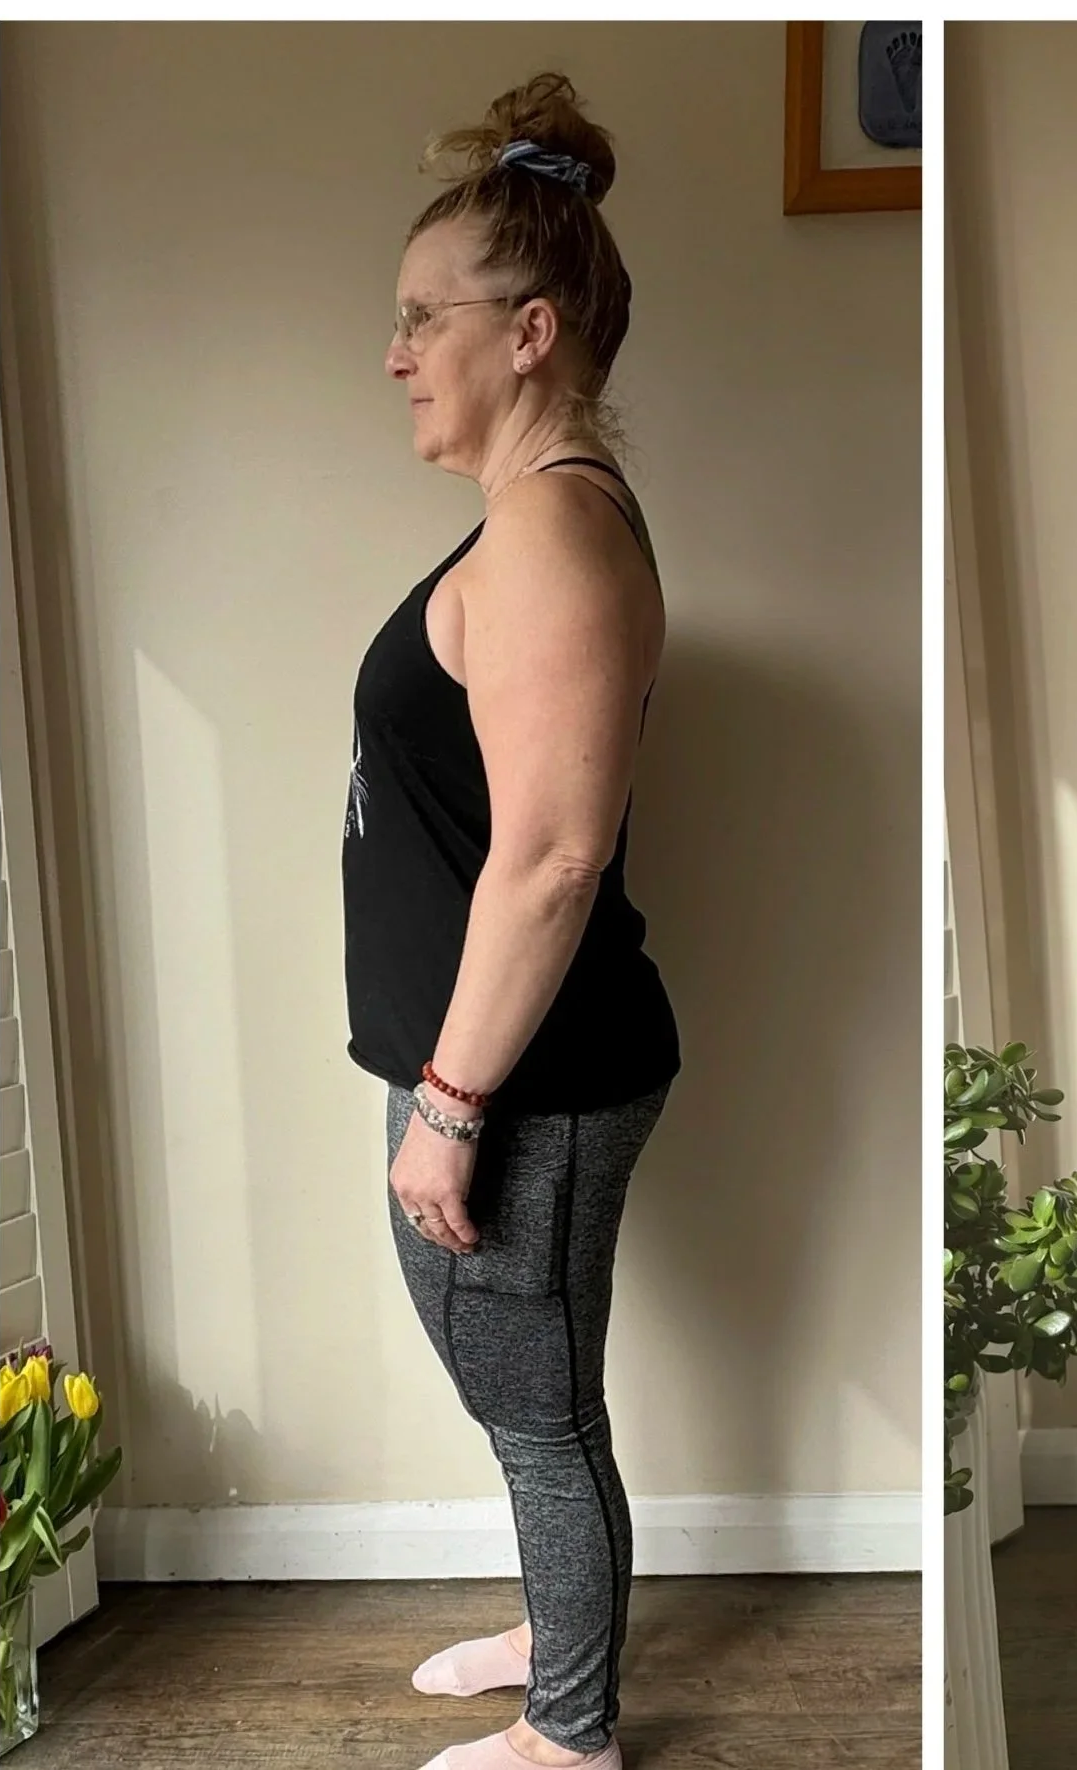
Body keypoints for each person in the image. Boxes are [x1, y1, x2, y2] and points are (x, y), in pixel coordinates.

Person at [342, 72, 679, 1770]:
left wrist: (452, 1106)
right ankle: (560, 1628)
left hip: (525, 1082)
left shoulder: (549, 532)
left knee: (539, 1411)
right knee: (526, 1393)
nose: (395, 351)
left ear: (529, 328)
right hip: (499, 1067)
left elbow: (549, 856)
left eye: (421, 318)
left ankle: (570, 1733)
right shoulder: (534, 520)